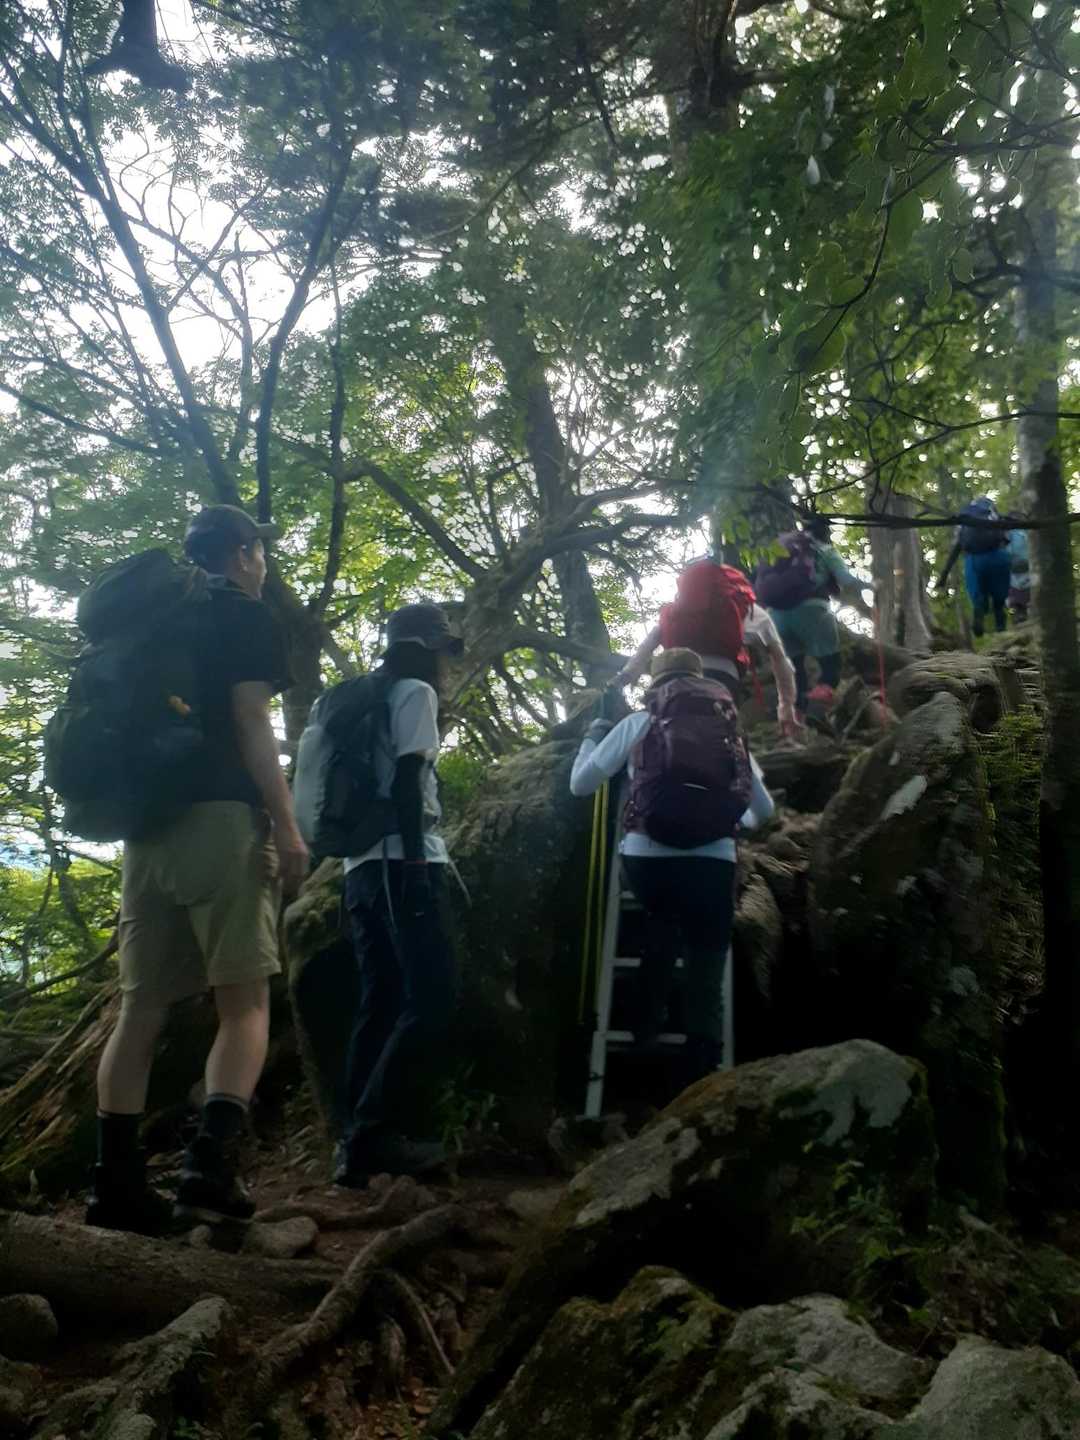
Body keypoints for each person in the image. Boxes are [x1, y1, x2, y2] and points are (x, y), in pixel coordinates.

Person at [88, 504, 308, 1235]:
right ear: (242, 554)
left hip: (145, 830)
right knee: (244, 1005)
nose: (263, 564)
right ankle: (208, 1172)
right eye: (259, 552)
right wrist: (285, 824)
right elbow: (252, 721)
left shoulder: (155, 622)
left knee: (140, 1010)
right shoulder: (244, 614)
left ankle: (115, 1187)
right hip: (220, 822)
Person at [570, 648, 774, 1084]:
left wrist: (592, 735)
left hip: (647, 860)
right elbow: (764, 811)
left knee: (659, 925)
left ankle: (644, 1029)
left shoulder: (638, 723)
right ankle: (703, 1066)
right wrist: (726, 822)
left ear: (657, 684)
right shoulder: (730, 732)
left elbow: (580, 785)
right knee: (707, 960)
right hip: (713, 863)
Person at [335, 602, 461, 1188]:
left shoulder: (357, 695)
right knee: (432, 995)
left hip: (359, 867)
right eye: (443, 649)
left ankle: (351, 1139)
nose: (446, 662)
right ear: (425, 647)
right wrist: (414, 862)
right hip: (403, 861)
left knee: (380, 999)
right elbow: (409, 781)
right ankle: (372, 1133)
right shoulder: (415, 693)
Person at [614, 557, 803, 739]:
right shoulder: (748, 610)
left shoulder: (679, 611)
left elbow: (648, 644)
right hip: (722, 678)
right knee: (722, 734)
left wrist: (625, 676)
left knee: (669, 732)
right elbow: (780, 660)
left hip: (673, 678)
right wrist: (786, 705)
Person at [756, 516, 872, 716]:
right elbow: (845, 580)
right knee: (830, 663)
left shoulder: (781, 549)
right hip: (812, 610)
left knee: (794, 668)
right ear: (826, 533)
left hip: (775, 615)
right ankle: (821, 701)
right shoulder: (824, 550)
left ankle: (797, 715)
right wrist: (872, 585)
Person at [937, 497, 1012, 637]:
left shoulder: (965, 517)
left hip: (974, 560)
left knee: (978, 596)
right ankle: (1001, 630)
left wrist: (944, 575)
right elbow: (1006, 539)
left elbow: (957, 547)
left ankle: (979, 610)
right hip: (997, 557)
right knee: (999, 600)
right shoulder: (994, 514)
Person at [1007, 527, 1031, 625]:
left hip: (1014, 567)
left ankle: (1019, 613)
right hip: (1023, 565)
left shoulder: (1005, 531)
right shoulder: (1024, 531)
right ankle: (1020, 613)